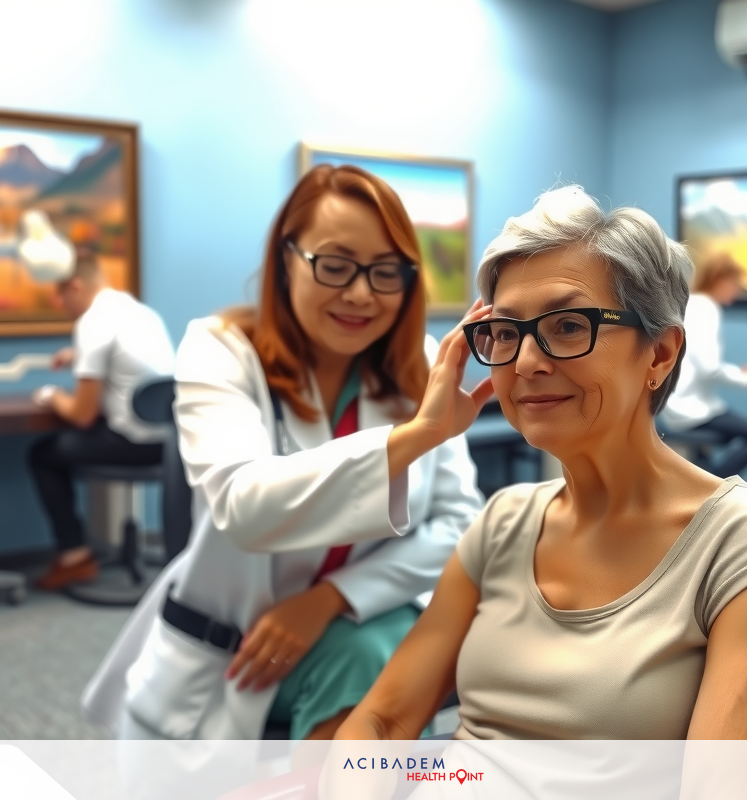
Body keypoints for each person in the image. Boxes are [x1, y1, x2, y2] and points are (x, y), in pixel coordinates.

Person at [334, 187, 747, 741]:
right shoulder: (503, 522)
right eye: (504, 332)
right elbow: (381, 723)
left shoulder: (744, 544)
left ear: (660, 354)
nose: (524, 362)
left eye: (568, 326)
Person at [80, 164, 488, 741]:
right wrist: (412, 438)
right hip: (230, 656)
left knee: (370, 660)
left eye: (385, 271)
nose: (361, 293)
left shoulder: (422, 365)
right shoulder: (221, 351)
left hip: (359, 627)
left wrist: (330, 600)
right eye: (336, 265)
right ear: (285, 260)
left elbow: (459, 524)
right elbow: (245, 507)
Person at [28, 248, 176, 590]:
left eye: (60, 293)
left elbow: (82, 415)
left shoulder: (92, 322)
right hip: (168, 443)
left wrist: (51, 397)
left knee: (42, 455)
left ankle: (74, 556)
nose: (57, 302)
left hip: (132, 443)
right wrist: (79, 355)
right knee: (84, 437)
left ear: (76, 287)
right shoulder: (141, 313)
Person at [658, 252, 747, 478]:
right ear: (721, 280)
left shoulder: (690, 304)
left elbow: (697, 361)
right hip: (692, 412)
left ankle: (705, 478)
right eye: (735, 284)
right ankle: (717, 486)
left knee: (728, 437)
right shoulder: (708, 309)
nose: (737, 290)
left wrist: (742, 373)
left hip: (673, 406)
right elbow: (709, 368)